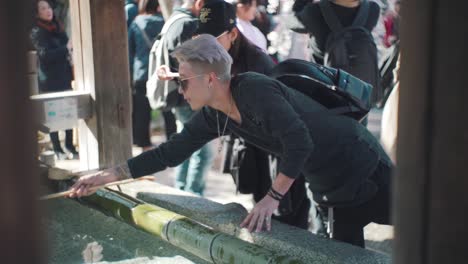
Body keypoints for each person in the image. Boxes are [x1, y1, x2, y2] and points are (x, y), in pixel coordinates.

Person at [69, 35, 393, 247]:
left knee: (425, 226)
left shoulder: (254, 88)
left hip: (361, 163)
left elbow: (299, 142)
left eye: (183, 82)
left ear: (210, 79)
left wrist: (271, 197)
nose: (179, 90)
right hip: (328, 185)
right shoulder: (215, 114)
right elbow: (170, 153)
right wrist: (108, 175)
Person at [195, 0, 310, 229]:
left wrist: (275, 194)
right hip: (256, 148)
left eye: (213, 39)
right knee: (263, 210)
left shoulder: (257, 66)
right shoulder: (220, 59)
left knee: (288, 216)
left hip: (279, 151)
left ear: (232, 35)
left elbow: (294, 137)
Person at [155, 0, 214, 195]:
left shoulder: (173, 19)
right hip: (188, 94)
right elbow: (188, 65)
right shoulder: (188, 23)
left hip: (177, 93)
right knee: (203, 150)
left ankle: (182, 191)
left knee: (186, 144)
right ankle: (194, 195)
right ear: (199, 3)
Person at [31, 0, 79, 160]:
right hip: (49, 80)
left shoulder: (58, 27)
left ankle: (70, 146)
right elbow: (45, 56)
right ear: (37, 13)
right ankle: (57, 148)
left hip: (64, 76)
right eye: (43, 8)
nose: (48, 10)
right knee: (53, 116)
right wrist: (65, 48)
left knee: (69, 113)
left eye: (49, 7)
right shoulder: (37, 32)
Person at [128, 0, 164, 151]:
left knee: (142, 109)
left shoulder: (136, 23)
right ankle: (172, 138)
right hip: (161, 72)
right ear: (158, 6)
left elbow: (130, 50)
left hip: (141, 72)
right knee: (166, 106)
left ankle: (143, 142)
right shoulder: (164, 22)